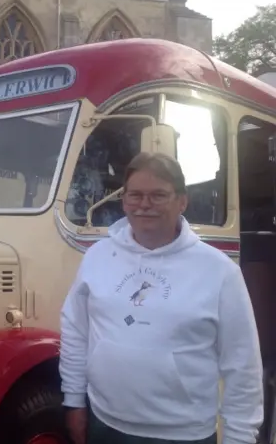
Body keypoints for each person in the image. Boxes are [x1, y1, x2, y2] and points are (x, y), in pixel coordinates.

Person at [59, 151, 263, 444]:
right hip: (104, 425)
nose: (145, 205)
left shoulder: (220, 272)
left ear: (182, 201)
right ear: (124, 200)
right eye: (135, 195)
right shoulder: (97, 257)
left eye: (158, 195)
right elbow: (76, 331)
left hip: (183, 435)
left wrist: (239, 438)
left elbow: (242, 366)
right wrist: (74, 400)